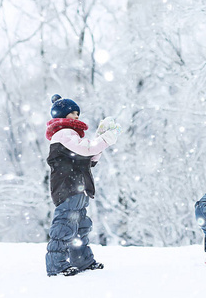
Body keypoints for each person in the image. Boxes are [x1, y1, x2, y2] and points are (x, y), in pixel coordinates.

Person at [45, 94, 121, 276]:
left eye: (77, 112)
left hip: (78, 189)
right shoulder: (62, 134)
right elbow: (87, 149)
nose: (76, 115)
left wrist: (101, 138)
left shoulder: (72, 136)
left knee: (81, 226)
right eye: (72, 113)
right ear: (62, 116)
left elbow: (90, 158)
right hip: (67, 188)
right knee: (64, 226)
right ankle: (56, 265)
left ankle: (82, 261)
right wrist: (104, 139)